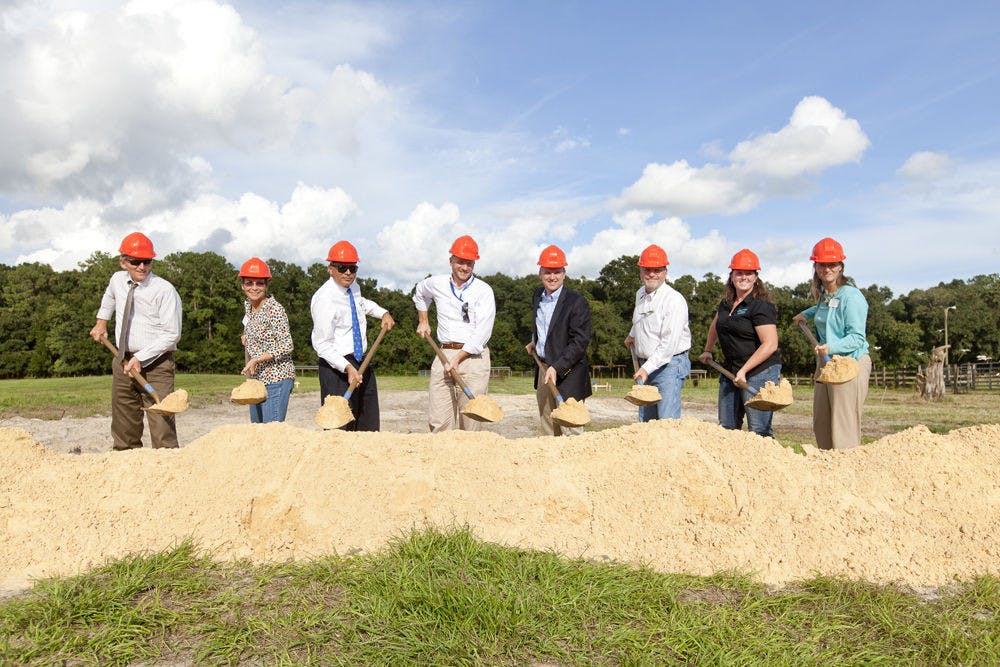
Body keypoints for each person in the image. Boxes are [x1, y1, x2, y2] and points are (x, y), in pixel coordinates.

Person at [89, 232, 182, 450]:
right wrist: (101, 323)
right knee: (124, 425)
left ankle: (168, 471)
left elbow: (172, 334)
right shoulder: (117, 280)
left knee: (162, 427)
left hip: (157, 363)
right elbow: (109, 298)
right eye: (135, 261)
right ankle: (126, 464)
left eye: (147, 261)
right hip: (121, 359)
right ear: (123, 262)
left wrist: (140, 357)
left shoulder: (164, 290)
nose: (142, 266)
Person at [792, 237, 871, 450]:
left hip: (848, 363)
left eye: (832, 264)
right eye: (822, 264)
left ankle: (846, 473)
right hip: (826, 362)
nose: (827, 268)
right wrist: (806, 314)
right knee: (822, 423)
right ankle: (827, 468)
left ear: (840, 266)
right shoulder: (826, 295)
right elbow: (824, 310)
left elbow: (857, 338)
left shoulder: (851, 297)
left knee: (843, 426)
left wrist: (831, 347)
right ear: (815, 267)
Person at [413, 235, 496, 432]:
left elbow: (483, 331)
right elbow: (419, 292)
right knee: (439, 421)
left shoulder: (484, 291)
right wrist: (423, 320)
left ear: (474, 263)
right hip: (443, 355)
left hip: (474, 358)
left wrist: (458, 358)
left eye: (469, 263)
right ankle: (443, 462)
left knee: (471, 422)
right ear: (451, 261)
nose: (464, 267)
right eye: (460, 261)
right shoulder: (436, 283)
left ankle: (470, 463)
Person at [311, 241, 395, 431]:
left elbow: (362, 304)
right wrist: (347, 368)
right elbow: (322, 344)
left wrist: (383, 313)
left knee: (368, 422)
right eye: (342, 268)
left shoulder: (353, 288)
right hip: (336, 368)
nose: (348, 272)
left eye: (352, 267)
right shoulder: (324, 299)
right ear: (330, 268)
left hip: (361, 362)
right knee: (339, 428)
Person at [698, 249, 781, 437]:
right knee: (727, 427)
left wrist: (744, 371)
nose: (744, 277)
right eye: (739, 273)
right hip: (731, 370)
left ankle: (765, 466)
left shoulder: (761, 305)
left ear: (756, 277)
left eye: (748, 273)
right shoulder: (727, 303)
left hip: (760, 371)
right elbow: (716, 323)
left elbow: (770, 344)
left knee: (759, 430)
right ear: (732, 276)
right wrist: (708, 349)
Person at [525, 245, 592, 436]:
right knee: (548, 426)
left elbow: (579, 342)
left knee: (571, 430)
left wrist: (557, 367)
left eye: (556, 272)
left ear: (564, 273)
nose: (552, 277)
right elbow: (543, 326)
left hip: (569, 373)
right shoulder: (537, 296)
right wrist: (535, 342)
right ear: (540, 273)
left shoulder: (577, 302)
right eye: (547, 272)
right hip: (544, 369)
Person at [625, 244, 691, 421]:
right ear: (641, 271)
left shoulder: (674, 300)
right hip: (646, 364)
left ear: (665, 272)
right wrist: (633, 334)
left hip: (669, 366)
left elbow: (668, 345)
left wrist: (645, 369)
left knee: (666, 422)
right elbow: (640, 319)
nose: (652, 274)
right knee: (646, 422)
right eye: (647, 269)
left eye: (657, 270)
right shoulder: (640, 293)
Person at [238, 257, 295, 423]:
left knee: (271, 433)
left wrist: (257, 359)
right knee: (257, 431)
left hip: (276, 378)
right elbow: (257, 331)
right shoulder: (248, 306)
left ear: (266, 285)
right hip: (257, 379)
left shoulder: (274, 309)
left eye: (259, 283)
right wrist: (246, 337)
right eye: (249, 283)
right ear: (242, 285)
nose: (254, 288)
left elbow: (287, 344)